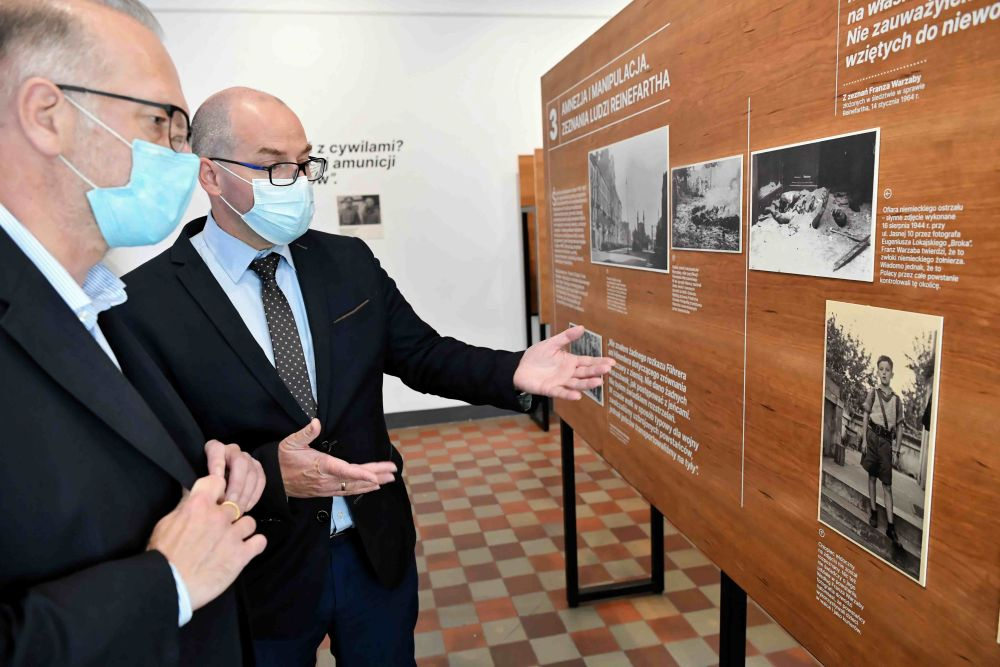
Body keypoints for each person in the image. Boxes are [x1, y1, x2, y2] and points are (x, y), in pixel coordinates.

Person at [117, 86, 614, 666]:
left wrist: (515, 368)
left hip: (372, 551)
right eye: (276, 165)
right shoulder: (144, 304)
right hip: (256, 571)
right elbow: (159, 462)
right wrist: (272, 473)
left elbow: (423, 354)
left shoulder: (346, 261)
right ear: (211, 176)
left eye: (304, 162)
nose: (298, 181)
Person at [0, 3, 383, 664]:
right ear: (47, 114)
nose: (181, 155)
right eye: (162, 122)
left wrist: (244, 472)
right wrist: (166, 581)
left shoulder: (92, 302)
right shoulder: (133, 300)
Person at [860, 355, 904, 544]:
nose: (884, 372)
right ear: (877, 372)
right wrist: (863, 439)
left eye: (887, 369)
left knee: (887, 484)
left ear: (892, 374)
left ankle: (891, 527)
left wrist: (896, 450)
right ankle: (874, 512)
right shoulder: (872, 393)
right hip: (871, 437)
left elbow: (900, 427)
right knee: (871, 476)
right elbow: (865, 415)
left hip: (886, 443)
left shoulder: (897, 400)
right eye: (881, 369)